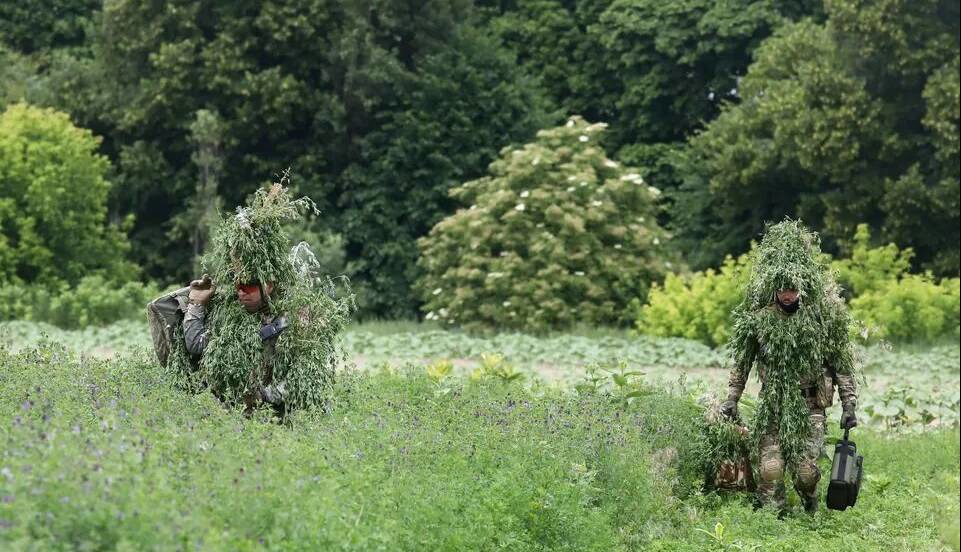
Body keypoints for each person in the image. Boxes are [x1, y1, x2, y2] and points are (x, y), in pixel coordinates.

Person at [720, 219, 859, 515]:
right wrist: (731, 399)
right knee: (771, 469)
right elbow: (742, 364)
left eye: (792, 289)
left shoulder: (821, 320)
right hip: (773, 405)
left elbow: (841, 366)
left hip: (811, 407)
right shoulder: (758, 321)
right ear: (774, 288)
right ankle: (775, 520)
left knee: (806, 473)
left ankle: (810, 503)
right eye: (782, 289)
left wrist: (849, 406)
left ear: (801, 286)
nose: (787, 295)